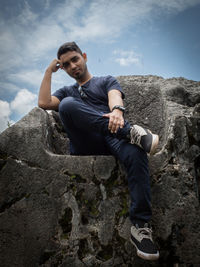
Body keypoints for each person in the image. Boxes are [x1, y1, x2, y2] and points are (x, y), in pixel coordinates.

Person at [38, 41, 159, 261]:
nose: (73, 65)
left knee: (136, 153)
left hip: (113, 135)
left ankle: (140, 227)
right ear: (63, 69)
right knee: (66, 105)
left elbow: (115, 96)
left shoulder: (105, 80)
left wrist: (117, 111)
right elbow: (44, 102)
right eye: (66, 64)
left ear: (84, 56)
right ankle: (131, 132)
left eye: (75, 59)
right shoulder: (67, 90)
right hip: (87, 143)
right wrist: (49, 70)